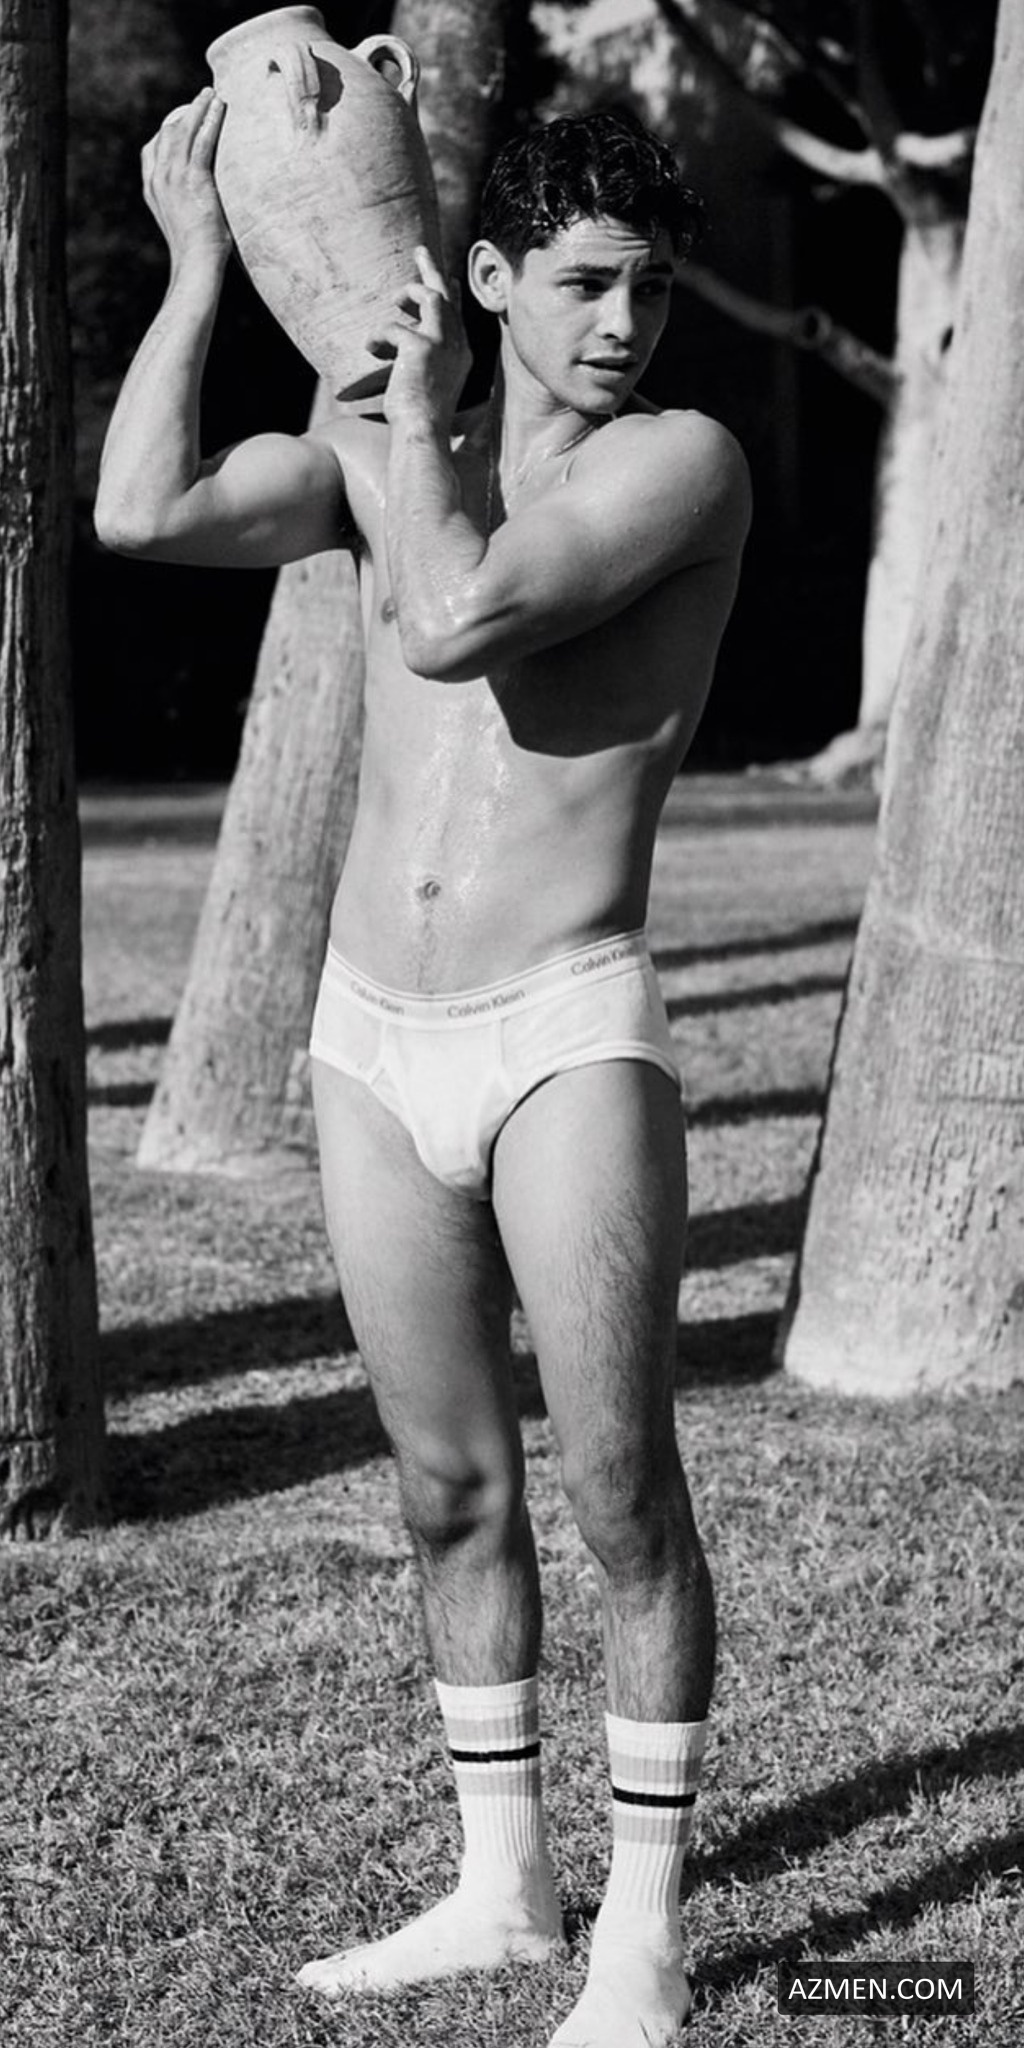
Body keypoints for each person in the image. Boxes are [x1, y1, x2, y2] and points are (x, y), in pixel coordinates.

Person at [95, 83, 750, 2048]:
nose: (623, 320)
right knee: (449, 1490)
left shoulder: (679, 463)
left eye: (649, 285)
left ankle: (640, 1940)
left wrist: (397, 425)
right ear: (487, 276)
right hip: (372, 1035)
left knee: (620, 1490)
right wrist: (202, 269)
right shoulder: (405, 450)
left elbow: (461, 618)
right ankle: (499, 1886)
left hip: (563, 1025)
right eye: (585, 281)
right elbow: (140, 511)